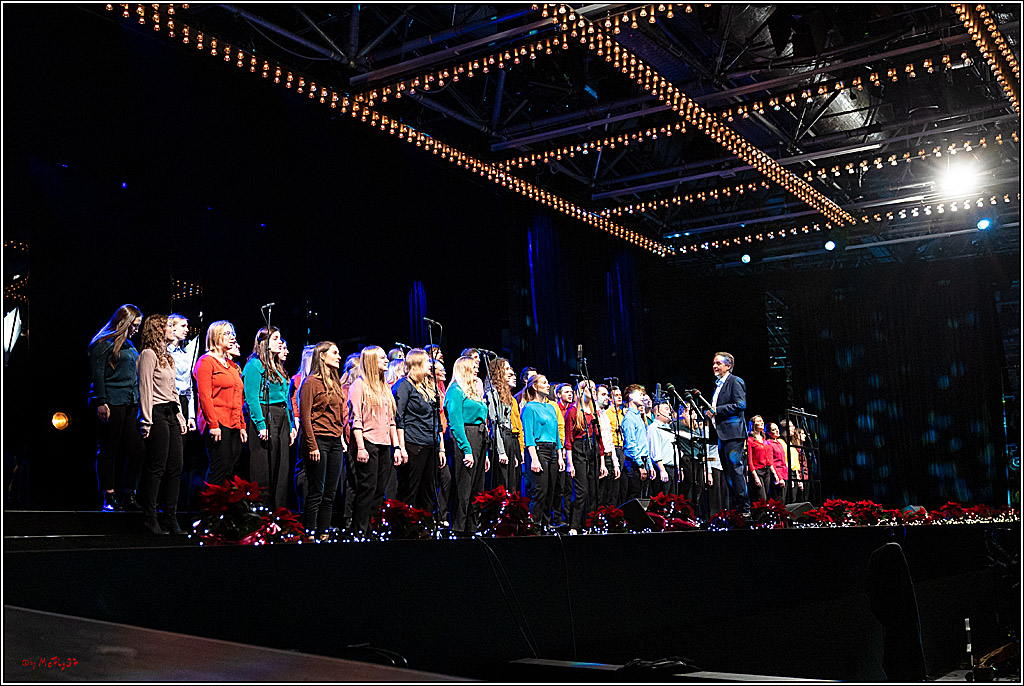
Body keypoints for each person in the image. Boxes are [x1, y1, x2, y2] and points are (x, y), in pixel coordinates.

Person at [89, 304, 145, 512]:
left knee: (137, 450)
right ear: (125, 322)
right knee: (108, 449)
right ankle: (108, 496)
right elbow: (97, 375)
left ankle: (129, 494)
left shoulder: (129, 346)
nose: (136, 329)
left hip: (129, 402)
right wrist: (101, 401)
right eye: (134, 325)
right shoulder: (102, 344)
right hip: (111, 401)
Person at [136, 314, 187, 534]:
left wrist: (181, 416)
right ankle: (150, 517)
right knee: (157, 466)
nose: (171, 329)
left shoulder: (168, 357)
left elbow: (174, 390)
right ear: (157, 329)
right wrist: (146, 420)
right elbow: (145, 389)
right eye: (167, 326)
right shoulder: (148, 355)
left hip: (171, 412)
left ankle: (170, 516)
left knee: (176, 467)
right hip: (155, 412)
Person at [347, 346, 402, 537]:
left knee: (380, 489)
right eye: (381, 358)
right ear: (371, 361)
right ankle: (359, 530)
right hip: (367, 442)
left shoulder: (384, 386)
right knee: (367, 488)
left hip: (384, 443)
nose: (386, 360)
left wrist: (396, 446)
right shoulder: (359, 386)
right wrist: (361, 447)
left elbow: (391, 421)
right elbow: (356, 420)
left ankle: (371, 528)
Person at [242, 327, 296, 510]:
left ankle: (278, 513)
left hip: (281, 418)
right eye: (275, 338)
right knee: (264, 468)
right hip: (265, 415)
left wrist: (290, 426)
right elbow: (251, 397)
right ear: (264, 342)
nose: (280, 342)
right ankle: (261, 513)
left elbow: (285, 399)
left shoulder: (277, 367)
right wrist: (260, 424)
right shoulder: (255, 365)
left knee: (282, 468)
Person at [299, 341, 345, 540]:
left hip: (334, 440)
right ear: (322, 356)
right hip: (318, 439)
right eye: (334, 353)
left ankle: (324, 531)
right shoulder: (311, 383)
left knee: (330, 491)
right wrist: (312, 445)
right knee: (317, 489)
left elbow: (338, 415)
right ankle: (309, 532)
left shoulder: (335, 383)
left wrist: (341, 438)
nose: (339, 356)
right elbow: (305, 416)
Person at [194, 321, 246, 488]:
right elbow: (205, 396)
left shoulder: (231, 365)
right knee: (220, 467)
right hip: (217, 421)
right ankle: (208, 511)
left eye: (233, 333)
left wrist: (242, 425)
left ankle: (226, 510)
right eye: (227, 333)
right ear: (215, 337)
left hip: (233, 423)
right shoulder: (206, 362)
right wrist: (213, 424)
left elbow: (238, 396)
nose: (232, 337)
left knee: (231, 469)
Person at [393, 349, 446, 513]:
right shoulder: (404, 386)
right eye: (427, 362)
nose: (430, 365)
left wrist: (441, 448)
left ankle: (425, 529)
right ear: (416, 365)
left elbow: (436, 420)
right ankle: (406, 530)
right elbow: (398, 417)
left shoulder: (430, 388)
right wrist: (401, 447)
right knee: (410, 490)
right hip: (413, 444)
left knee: (428, 492)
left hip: (431, 445)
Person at [445, 355, 489, 535]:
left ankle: (473, 526)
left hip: (480, 437)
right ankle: (459, 528)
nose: (477, 369)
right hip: (466, 437)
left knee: (477, 487)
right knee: (464, 486)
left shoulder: (473, 391)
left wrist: (484, 454)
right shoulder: (455, 390)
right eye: (473, 366)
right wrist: (467, 450)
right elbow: (455, 422)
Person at [705, 352, 749, 513]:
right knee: (728, 472)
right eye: (714, 363)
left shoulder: (735, 381)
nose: (715, 366)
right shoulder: (719, 385)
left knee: (735, 470)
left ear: (728, 366)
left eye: (718, 363)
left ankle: (744, 508)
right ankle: (735, 508)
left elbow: (741, 404)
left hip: (733, 433)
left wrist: (717, 410)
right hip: (722, 434)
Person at [520, 374, 563, 529]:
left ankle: (545, 524)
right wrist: (534, 458)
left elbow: (557, 433)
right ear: (534, 386)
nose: (547, 385)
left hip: (552, 450)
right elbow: (528, 436)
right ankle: (534, 525)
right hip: (538, 450)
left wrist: (560, 455)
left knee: (551, 491)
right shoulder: (529, 408)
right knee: (540, 491)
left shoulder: (551, 407)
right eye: (544, 383)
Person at [563, 380, 606, 534]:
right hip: (579, 450)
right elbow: (568, 440)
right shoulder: (574, 412)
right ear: (580, 391)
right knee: (581, 491)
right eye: (589, 388)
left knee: (594, 490)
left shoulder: (594, 413)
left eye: (594, 388)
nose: (593, 390)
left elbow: (599, 439)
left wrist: (602, 462)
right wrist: (570, 463)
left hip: (593, 450)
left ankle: (590, 524)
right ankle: (574, 525)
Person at [485, 357, 520, 493]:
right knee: (502, 482)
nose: (509, 372)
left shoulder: (506, 396)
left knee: (512, 483)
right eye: (506, 369)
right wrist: (502, 451)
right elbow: (495, 425)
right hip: (501, 440)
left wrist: (514, 454)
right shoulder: (492, 393)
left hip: (509, 439)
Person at [290, 345, 316, 511]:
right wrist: (297, 420)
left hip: (318, 427)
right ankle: (303, 506)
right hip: (303, 426)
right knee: (304, 467)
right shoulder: (298, 379)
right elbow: (293, 402)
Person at [620, 385, 654, 500]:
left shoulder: (639, 417)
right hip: (634, 463)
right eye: (640, 395)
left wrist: (649, 464)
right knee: (634, 497)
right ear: (630, 396)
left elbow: (643, 443)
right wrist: (640, 465)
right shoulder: (629, 418)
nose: (643, 397)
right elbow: (631, 444)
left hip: (642, 460)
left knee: (644, 497)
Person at [595, 385, 621, 507]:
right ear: (595, 396)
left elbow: (610, 441)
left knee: (609, 495)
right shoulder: (594, 415)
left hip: (609, 456)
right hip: (600, 458)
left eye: (607, 395)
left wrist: (615, 463)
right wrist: (602, 463)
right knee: (600, 495)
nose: (607, 398)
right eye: (603, 395)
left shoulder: (605, 415)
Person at [647, 401, 676, 495]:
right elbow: (655, 450)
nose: (670, 412)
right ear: (658, 412)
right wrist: (662, 470)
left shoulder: (669, 429)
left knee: (673, 499)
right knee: (661, 499)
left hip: (672, 468)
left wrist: (678, 468)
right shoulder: (654, 428)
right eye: (666, 409)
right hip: (661, 468)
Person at [606, 386, 628, 507]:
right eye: (616, 395)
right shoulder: (608, 414)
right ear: (610, 398)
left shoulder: (623, 413)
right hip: (615, 448)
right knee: (615, 485)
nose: (619, 397)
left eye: (620, 395)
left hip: (624, 449)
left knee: (623, 486)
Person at [767, 422, 788, 504]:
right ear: (768, 432)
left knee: (784, 500)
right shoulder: (769, 444)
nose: (777, 431)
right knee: (778, 501)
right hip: (778, 475)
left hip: (784, 474)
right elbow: (771, 462)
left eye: (777, 429)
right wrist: (778, 477)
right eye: (773, 429)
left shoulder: (779, 443)